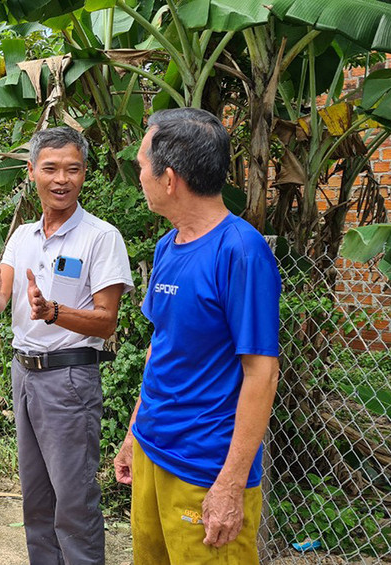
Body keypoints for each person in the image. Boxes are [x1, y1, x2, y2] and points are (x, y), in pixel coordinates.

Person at [113, 108, 281, 564]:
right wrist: (133, 434)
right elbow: (162, 347)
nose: (139, 176)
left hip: (205, 471)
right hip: (152, 450)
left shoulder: (242, 252)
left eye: (142, 166)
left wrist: (230, 484)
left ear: (169, 179)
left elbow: (262, 374)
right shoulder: (167, 247)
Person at [0, 126, 134, 564]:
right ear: (31, 171)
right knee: (36, 498)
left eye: (73, 169)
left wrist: (53, 312)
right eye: (50, 169)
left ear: (85, 173)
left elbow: (106, 322)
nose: (61, 179)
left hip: (69, 379)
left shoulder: (101, 237)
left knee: (73, 501)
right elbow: (1, 289)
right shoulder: (22, 236)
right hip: (24, 373)